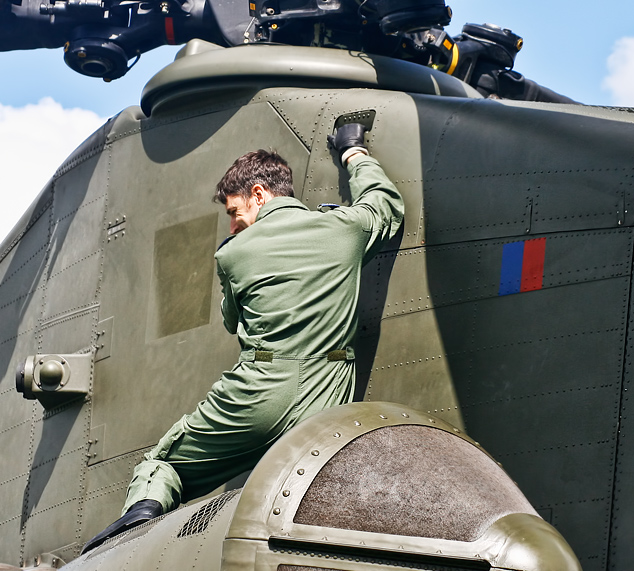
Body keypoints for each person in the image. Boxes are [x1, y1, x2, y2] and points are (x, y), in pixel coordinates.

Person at [82, 123, 404, 553]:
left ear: (258, 194)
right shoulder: (343, 229)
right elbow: (385, 204)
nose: (234, 225)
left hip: (258, 391)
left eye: (235, 212)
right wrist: (353, 154)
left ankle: (139, 517)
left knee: (164, 463)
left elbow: (231, 321)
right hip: (329, 391)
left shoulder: (234, 254)